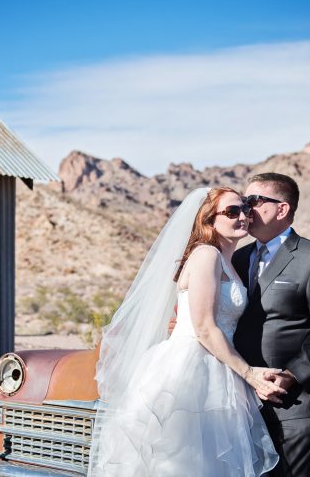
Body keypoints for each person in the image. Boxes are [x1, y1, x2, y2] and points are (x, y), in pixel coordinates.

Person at [88, 187, 281, 477]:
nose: (243, 215)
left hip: (219, 367)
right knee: (182, 461)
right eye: (231, 211)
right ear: (208, 219)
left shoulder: (230, 261)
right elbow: (203, 327)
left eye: (244, 208)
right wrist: (250, 374)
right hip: (191, 369)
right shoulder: (207, 255)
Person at [232, 172, 310, 477]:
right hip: (242, 398)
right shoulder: (237, 258)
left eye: (253, 201)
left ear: (282, 209)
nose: (246, 209)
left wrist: (290, 376)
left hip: (295, 403)